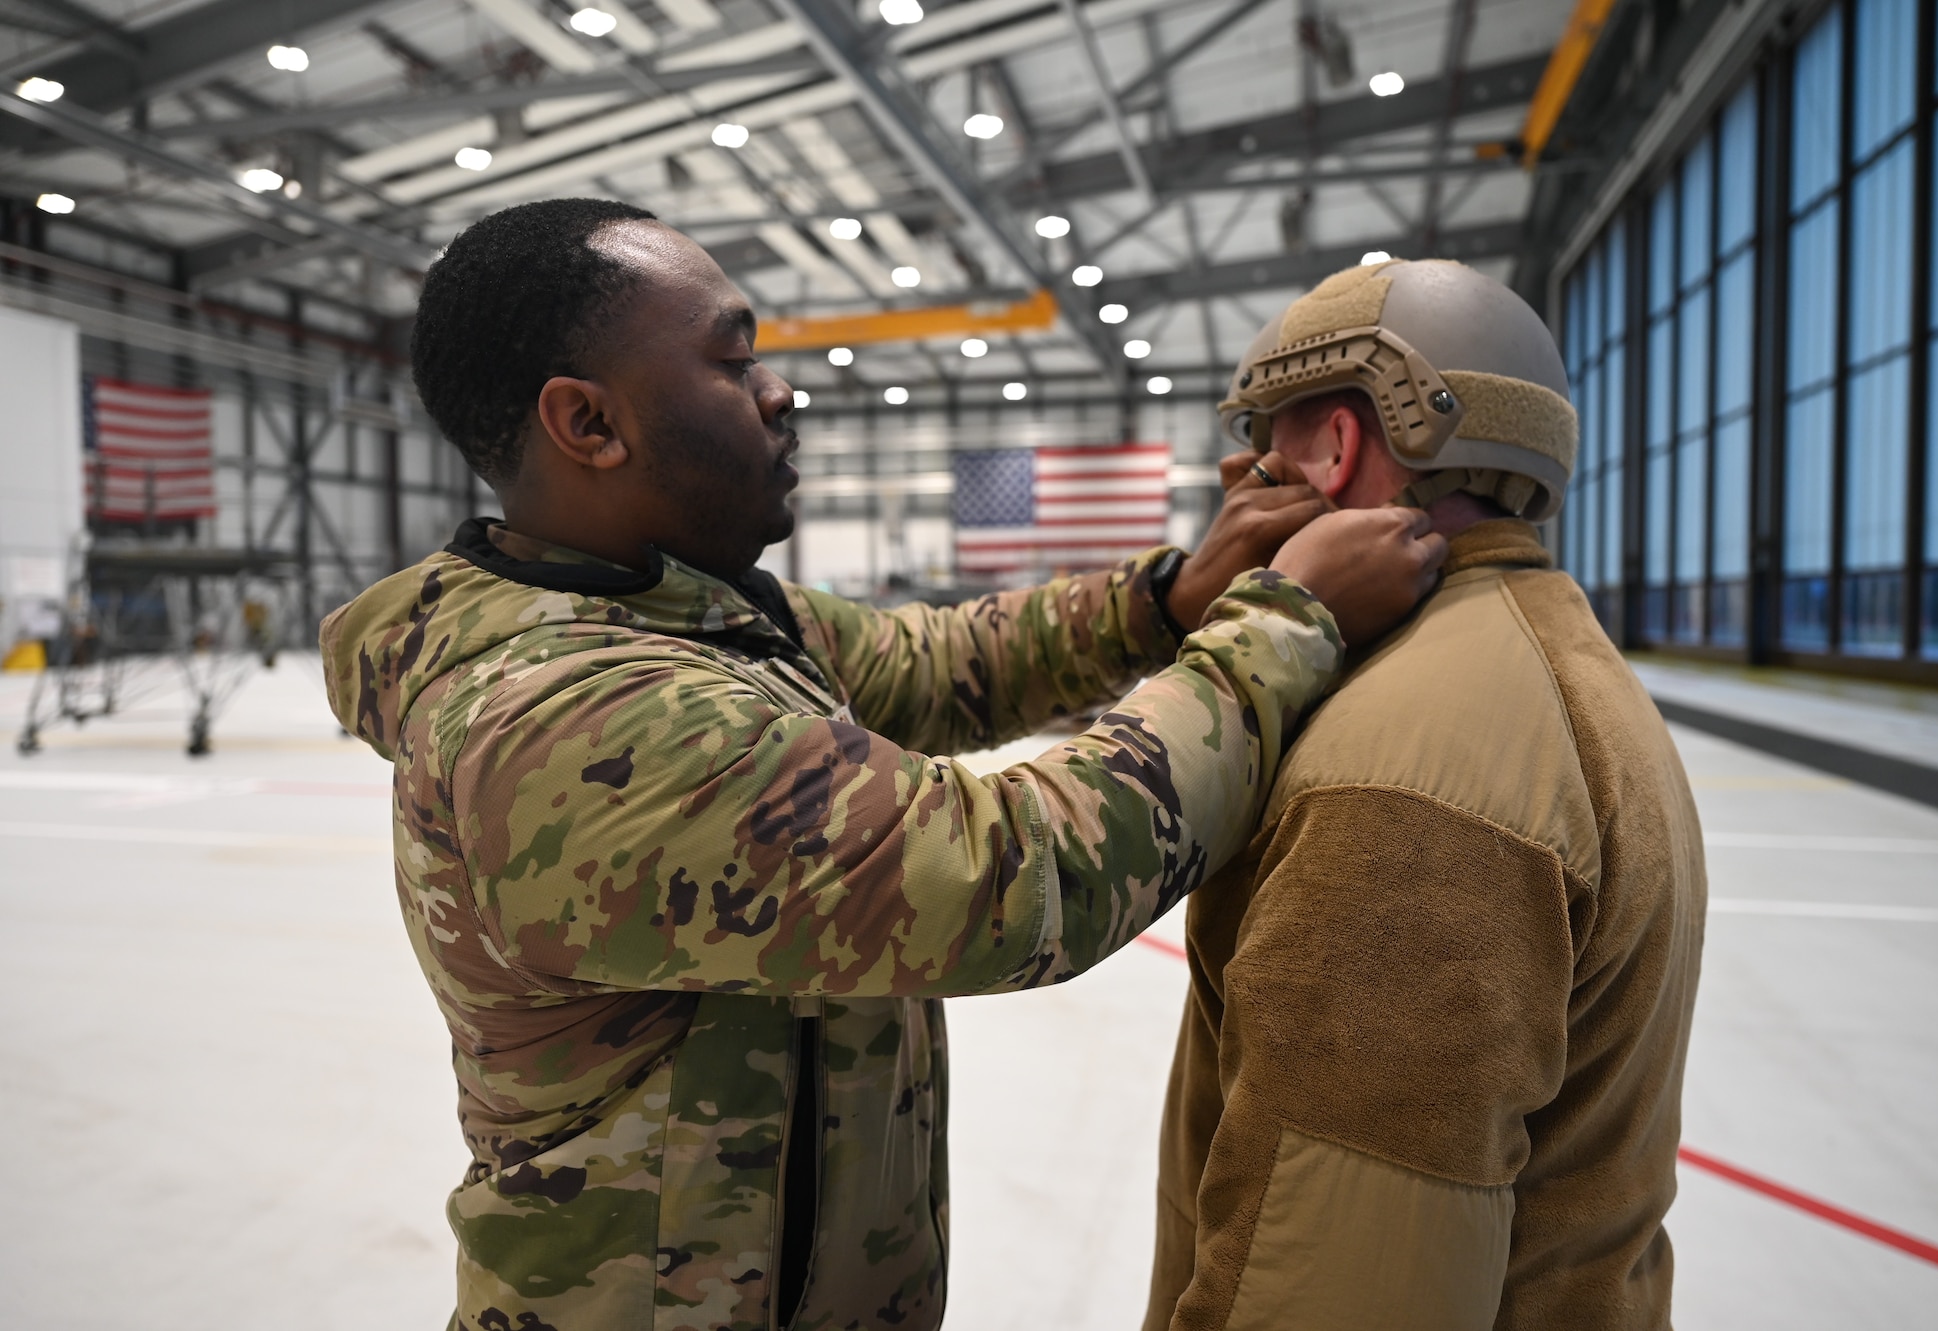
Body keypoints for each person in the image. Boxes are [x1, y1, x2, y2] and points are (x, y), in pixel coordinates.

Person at [319, 199, 1447, 1331]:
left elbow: (932, 663)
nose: (779, 393)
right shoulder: (576, 721)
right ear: (588, 423)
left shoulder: (692, 615)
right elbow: (1015, 875)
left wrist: (1167, 600)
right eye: (732, 359)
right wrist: (1284, 624)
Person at [1147, 258, 1708, 1331]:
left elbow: (1329, 1286)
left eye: (1268, 438)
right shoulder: (1563, 665)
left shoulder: (1400, 775)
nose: (1243, 472)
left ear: (1338, 449)